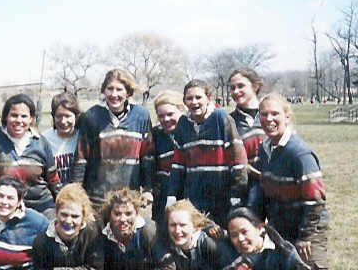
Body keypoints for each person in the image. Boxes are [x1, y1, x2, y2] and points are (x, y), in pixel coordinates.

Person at [248, 93, 356, 270]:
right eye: (264, 114)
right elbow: (265, 190)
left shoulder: (299, 153)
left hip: (309, 230)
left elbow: (315, 200)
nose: (268, 119)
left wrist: (306, 236)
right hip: (281, 231)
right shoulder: (266, 149)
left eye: (275, 115)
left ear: (287, 116)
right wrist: (255, 221)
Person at [168, 79, 247, 229]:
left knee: (221, 242)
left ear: (208, 98)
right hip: (194, 197)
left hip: (221, 197)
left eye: (198, 97)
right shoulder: (183, 124)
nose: (194, 102)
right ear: (184, 101)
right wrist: (172, 195)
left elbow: (238, 161)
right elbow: (178, 165)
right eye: (189, 98)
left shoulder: (221, 118)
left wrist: (237, 195)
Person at [71, 69, 154, 211]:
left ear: (128, 93)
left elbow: (148, 157)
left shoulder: (141, 116)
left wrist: (148, 189)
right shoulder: (92, 116)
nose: (114, 94)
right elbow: (81, 159)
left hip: (129, 199)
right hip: (97, 199)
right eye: (110, 89)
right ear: (103, 91)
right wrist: (76, 193)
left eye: (119, 89)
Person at [0, 94, 62, 219]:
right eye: (14, 115)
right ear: (6, 117)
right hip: (7, 207)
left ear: (31, 119)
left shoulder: (41, 142)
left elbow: (53, 180)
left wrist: (64, 203)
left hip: (42, 207)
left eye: (24, 116)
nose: (19, 120)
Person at [150, 91, 185, 231]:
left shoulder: (192, 132)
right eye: (161, 116)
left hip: (188, 197)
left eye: (170, 114)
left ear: (181, 110)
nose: (165, 119)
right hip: (163, 200)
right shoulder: (155, 135)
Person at [228, 67, 267, 182]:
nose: (235, 91)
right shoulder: (228, 121)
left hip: (277, 185)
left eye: (241, 86)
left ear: (255, 87)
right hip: (245, 188)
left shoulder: (273, 115)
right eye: (232, 88)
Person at [42, 92, 82, 186]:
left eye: (68, 116)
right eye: (59, 116)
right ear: (53, 117)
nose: (63, 121)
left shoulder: (83, 138)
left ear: (76, 117)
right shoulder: (44, 139)